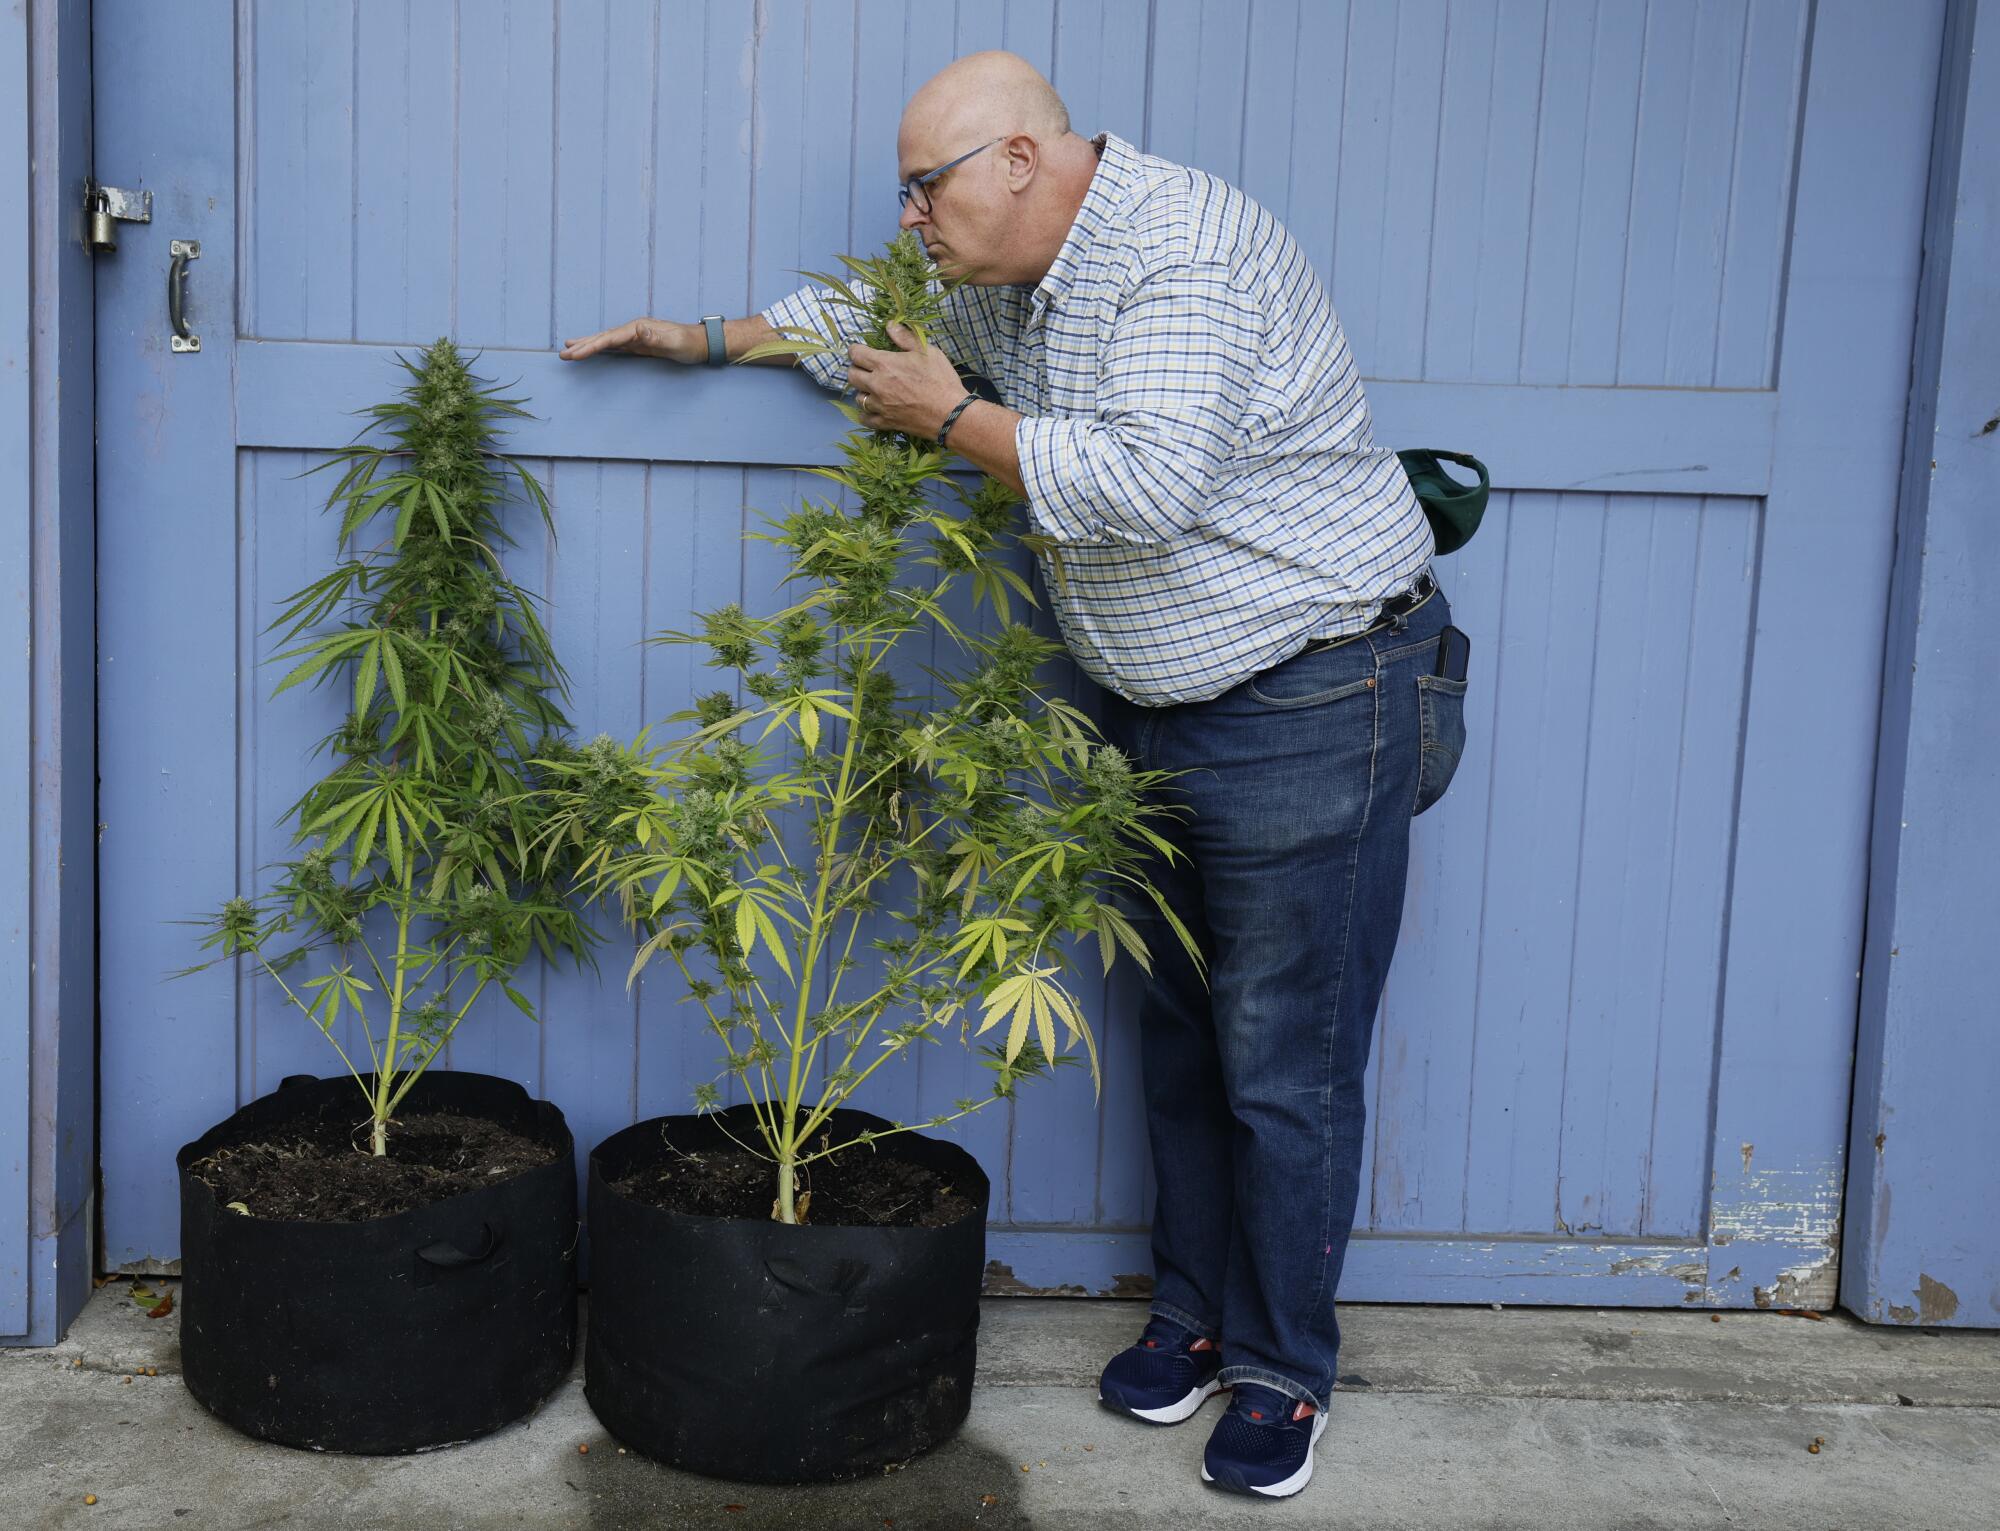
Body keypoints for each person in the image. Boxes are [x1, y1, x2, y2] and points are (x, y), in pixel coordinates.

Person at [559, 49, 1468, 1502]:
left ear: (1024, 162)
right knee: (1182, 1037)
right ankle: (1192, 1315)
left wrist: (950, 421)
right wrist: (707, 338)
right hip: (1154, 710)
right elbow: (873, 311)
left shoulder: (1183, 254)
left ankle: (1285, 1371)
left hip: (1314, 688)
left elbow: (1143, 485)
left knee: (1283, 1063)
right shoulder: (1001, 262)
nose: (913, 222)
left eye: (927, 191)